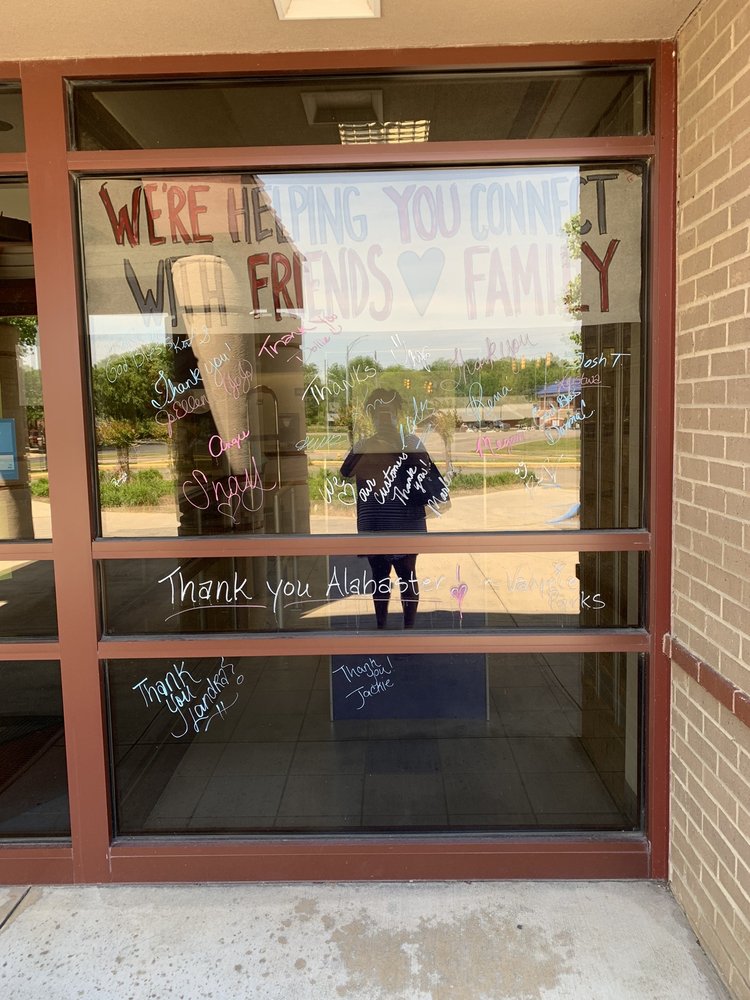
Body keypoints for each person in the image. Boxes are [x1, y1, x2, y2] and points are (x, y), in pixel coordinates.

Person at [340, 388, 448, 629]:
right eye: (378, 412)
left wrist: (399, 447)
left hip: (404, 521)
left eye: (388, 412)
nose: (383, 417)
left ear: (397, 414)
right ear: (372, 416)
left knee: (407, 575)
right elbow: (345, 472)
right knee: (379, 577)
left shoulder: (409, 442)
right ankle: (381, 628)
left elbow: (425, 473)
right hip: (375, 523)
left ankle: (407, 630)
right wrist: (371, 445)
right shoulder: (365, 444)